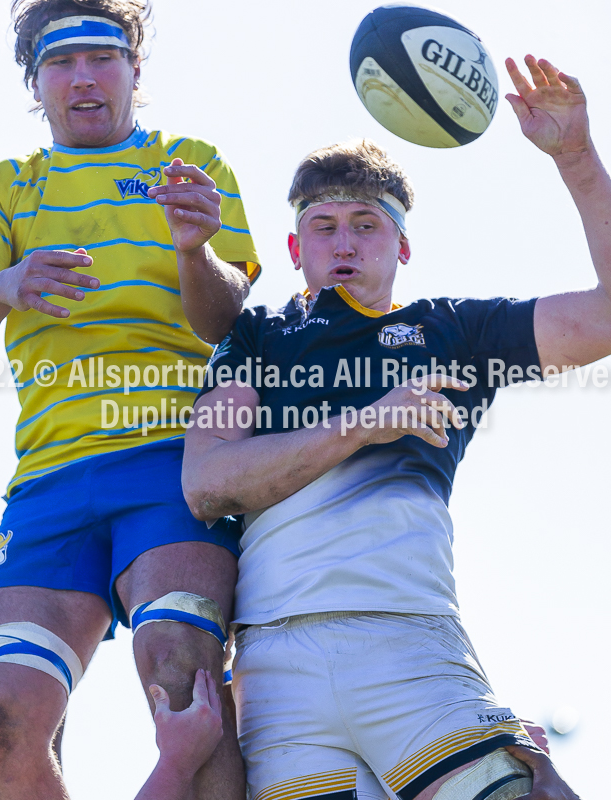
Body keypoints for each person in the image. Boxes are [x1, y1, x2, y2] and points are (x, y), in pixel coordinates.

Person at [182, 55, 600, 800]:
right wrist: (363, 426)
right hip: (279, 668)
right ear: (294, 249)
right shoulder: (257, 336)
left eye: (368, 226)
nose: (345, 244)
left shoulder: (456, 332)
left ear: (402, 245)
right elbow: (207, 484)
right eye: (325, 226)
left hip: (410, 640)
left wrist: (576, 159)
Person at [0, 1, 259, 798]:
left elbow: (231, 322)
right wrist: (2, 282)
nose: (85, 77)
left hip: (171, 459)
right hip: (49, 481)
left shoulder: (191, 162)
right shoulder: (3, 186)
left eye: (104, 58)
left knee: (181, 675)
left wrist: (195, 252)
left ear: (136, 72)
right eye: (62, 64)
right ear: (36, 84)